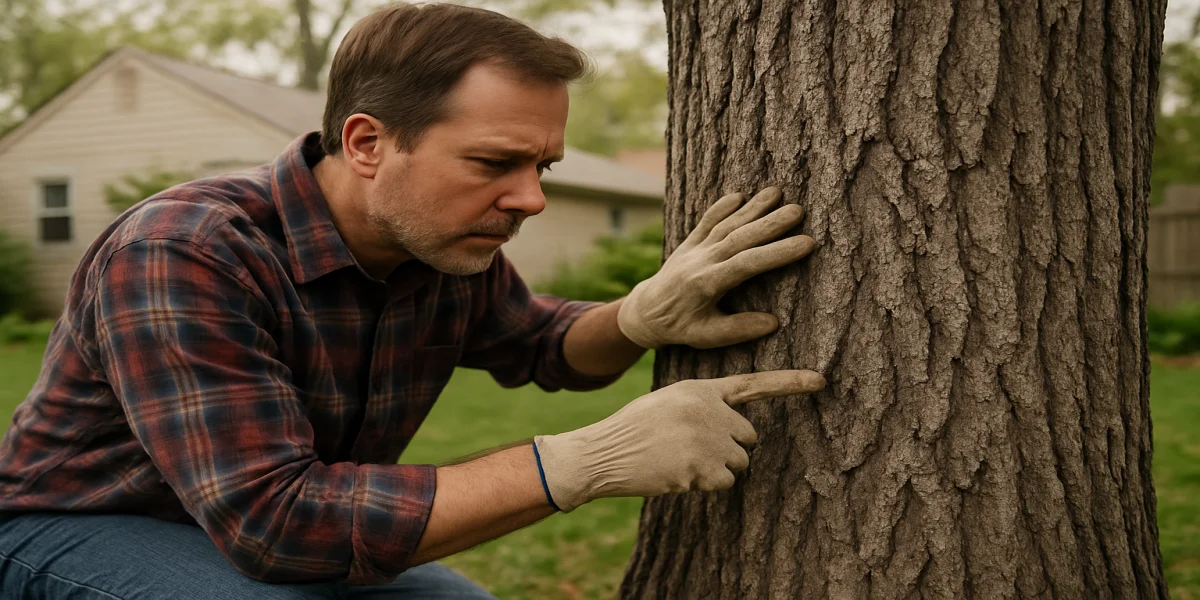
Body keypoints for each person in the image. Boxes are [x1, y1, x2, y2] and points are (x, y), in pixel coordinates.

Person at [0, 3, 824, 598]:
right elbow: (276, 525)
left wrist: (638, 316)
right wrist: (582, 463)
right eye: (494, 162)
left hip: (259, 526)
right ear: (367, 143)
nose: (530, 199)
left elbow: (543, 346)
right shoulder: (184, 252)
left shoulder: (436, 245)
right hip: (77, 526)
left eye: (544, 168)